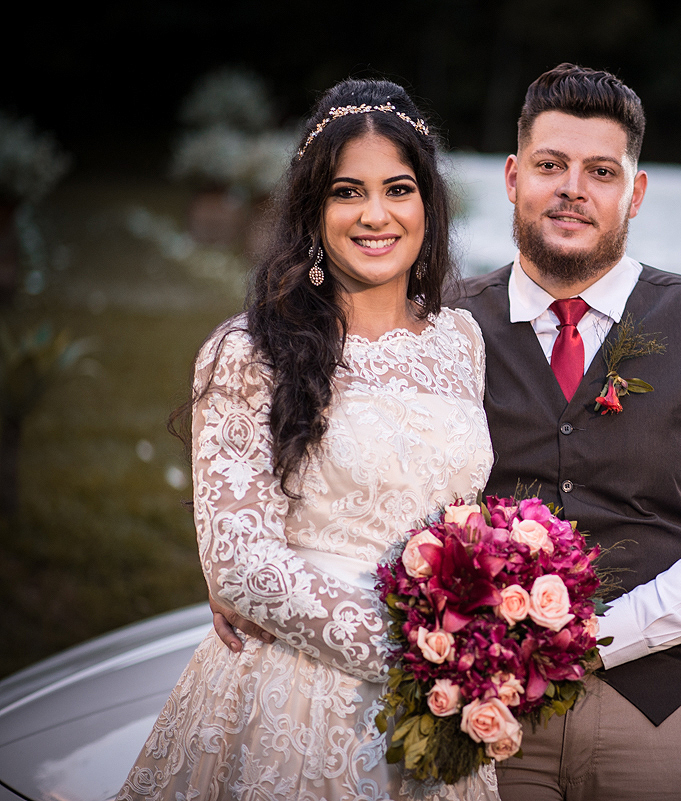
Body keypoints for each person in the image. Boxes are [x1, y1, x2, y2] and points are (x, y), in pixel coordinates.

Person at [119, 78, 499, 801]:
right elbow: (240, 565)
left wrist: (475, 646)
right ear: (312, 210)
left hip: (439, 710)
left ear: (428, 203)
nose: (376, 215)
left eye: (398, 188)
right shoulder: (250, 348)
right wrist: (421, 658)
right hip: (292, 692)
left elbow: (464, 513)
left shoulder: (461, 341)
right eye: (347, 192)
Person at [450, 64, 681, 800]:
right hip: (485, 709)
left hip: (666, 711)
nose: (573, 188)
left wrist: (597, 638)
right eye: (551, 165)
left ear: (634, 194)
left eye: (601, 171)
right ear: (514, 178)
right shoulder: (447, 329)